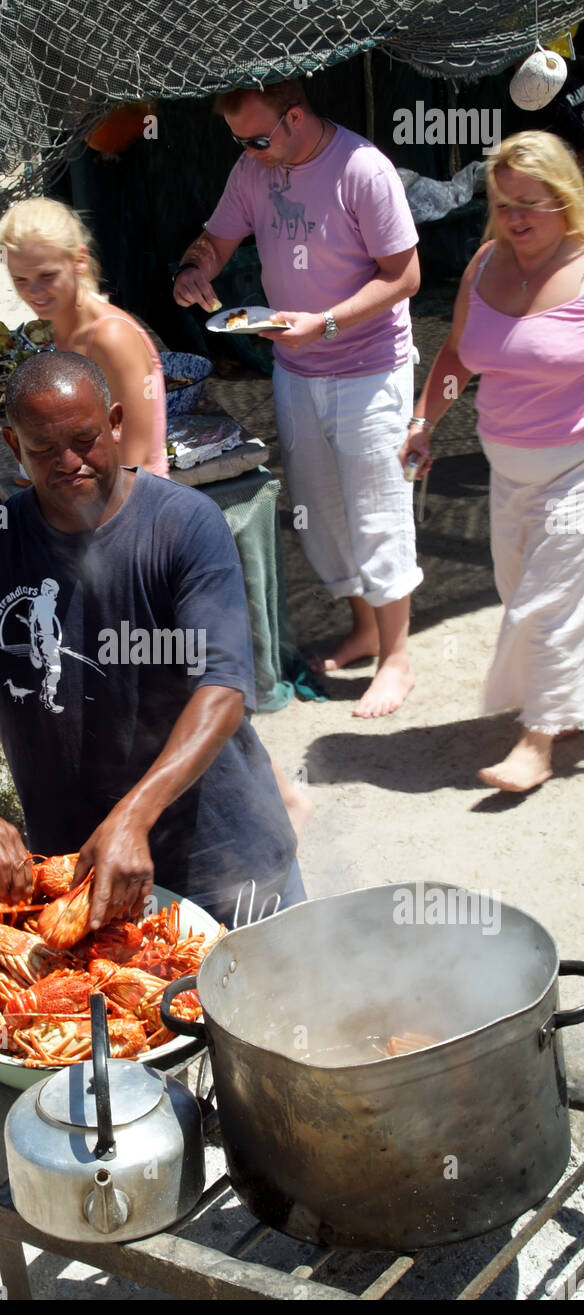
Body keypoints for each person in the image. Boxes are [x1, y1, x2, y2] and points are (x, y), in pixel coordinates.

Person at [0, 351, 304, 928]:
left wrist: (134, 815)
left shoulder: (185, 527)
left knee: (270, 1013)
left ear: (117, 422)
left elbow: (222, 690)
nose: (69, 462)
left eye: (85, 439)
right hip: (82, 886)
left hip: (228, 868)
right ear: (12, 444)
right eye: (44, 449)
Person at [174, 78, 422, 717]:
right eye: (239, 142)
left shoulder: (362, 169)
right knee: (322, 509)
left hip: (369, 368)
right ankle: (366, 627)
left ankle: (398, 657)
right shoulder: (252, 167)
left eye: (258, 138)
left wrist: (329, 322)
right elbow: (216, 241)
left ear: (294, 117)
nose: (250, 151)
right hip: (296, 367)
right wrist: (196, 268)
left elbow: (407, 275)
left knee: (377, 510)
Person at [399, 130, 584, 793]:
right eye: (504, 203)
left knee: (543, 604)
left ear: (565, 199)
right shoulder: (483, 267)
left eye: (530, 203)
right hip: (508, 473)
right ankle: (568, 704)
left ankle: (539, 739)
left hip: (577, 472)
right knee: (520, 595)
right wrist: (423, 422)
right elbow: (455, 357)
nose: (514, 218)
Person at [0, 197, 168, 476]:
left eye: (47, 275)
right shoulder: (62, 326)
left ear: (79, 261)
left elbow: (139, 468)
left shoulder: (111, 339)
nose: (35, 292)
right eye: (21, 279)